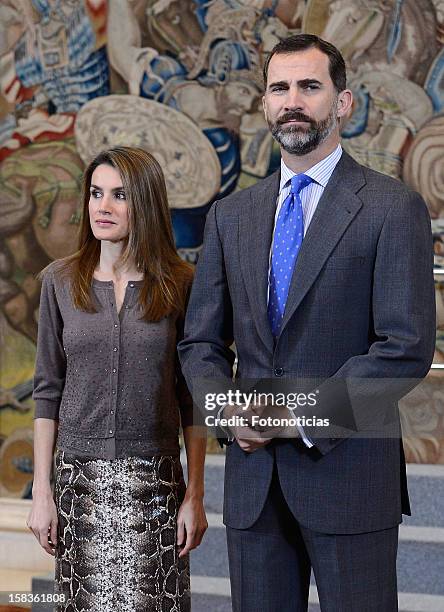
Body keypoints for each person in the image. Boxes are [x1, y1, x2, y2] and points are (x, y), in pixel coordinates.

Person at [178, 34, 435, 611]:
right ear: (266, 104)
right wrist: (229, 415)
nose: (293, 100)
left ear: (341, 103)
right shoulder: (231, 216)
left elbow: (406, 347)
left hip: (349, 477)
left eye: (309, 86)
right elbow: (200, 342)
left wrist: (290, 416)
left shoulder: (392, 207)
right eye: (280, 88)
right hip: (253, 487)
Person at [27, 146, 207, 611]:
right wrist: (42, 494)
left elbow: (191, 398)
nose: (102, 207)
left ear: (144, 203)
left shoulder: (181, 285)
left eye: (119, 195)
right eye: (95, 193)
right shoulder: (59, 282)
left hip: (157, 484)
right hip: (78, 485)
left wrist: (195, 493)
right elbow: (47, 392)